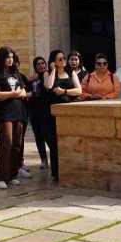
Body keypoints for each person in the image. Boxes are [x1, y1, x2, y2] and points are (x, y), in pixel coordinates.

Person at [0, 46, 26, 190]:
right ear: (1, 58)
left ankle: (12, 175)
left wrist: (10, 94)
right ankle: (0, 177)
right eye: (7, 57)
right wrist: (13, 94)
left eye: (12, 57)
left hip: (18, 111)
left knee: (17, 144)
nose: (10, 60)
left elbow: (24, 92)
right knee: (6, 143)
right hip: (4, 114)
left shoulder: (16, 74)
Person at [44, 50, 82, 182]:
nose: (63, 60)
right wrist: (53, 70)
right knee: (55, 143)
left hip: (68, 111)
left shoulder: (71, 72)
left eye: (63, 58)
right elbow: (48, 86)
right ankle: (57, 172)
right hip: (53, 113)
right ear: (53, 61)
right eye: (59, 59)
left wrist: (64, 91)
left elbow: (79, 90)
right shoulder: (48, 73)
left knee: (69, 141)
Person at [27, 56, 50, 170]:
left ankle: (54, 158)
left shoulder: (48, 76)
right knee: (38, 136)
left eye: (43, 63)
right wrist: (29, 80)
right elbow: (25, 89)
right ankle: (43, 159)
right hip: (34, 110)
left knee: (47, 134)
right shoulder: (33, 79)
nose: (41, 66)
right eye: (38, 64)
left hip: (45, 110)